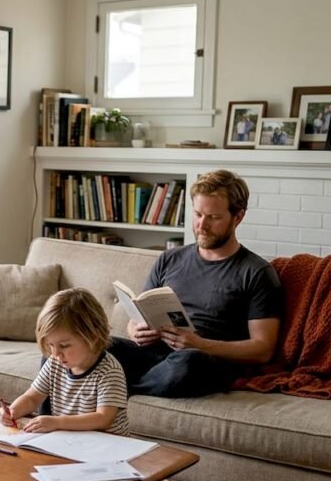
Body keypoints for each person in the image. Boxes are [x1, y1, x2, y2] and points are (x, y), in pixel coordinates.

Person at [107, 170, 283, 398]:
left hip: (202, 361)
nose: (202, 225)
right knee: (95, 345)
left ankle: (116, 390)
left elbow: (263, 349)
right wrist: (136, 332)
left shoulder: (257, 272)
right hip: (155, 354)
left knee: (189, 362)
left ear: (238, 217)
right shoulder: (169, 259)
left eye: (213, 217)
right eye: (198, 214)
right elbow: (136, 318)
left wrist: (200, 344)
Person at [0, 288, 126, 481]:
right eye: (51, 346)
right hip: (68, 448)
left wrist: (56, 422)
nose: (56, 354)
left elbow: (104, 418)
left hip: (107, 454)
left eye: (64, 346)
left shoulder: (110, 370)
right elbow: (33, 396)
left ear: (92, 335)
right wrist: (13, 410)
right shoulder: (56, 364)